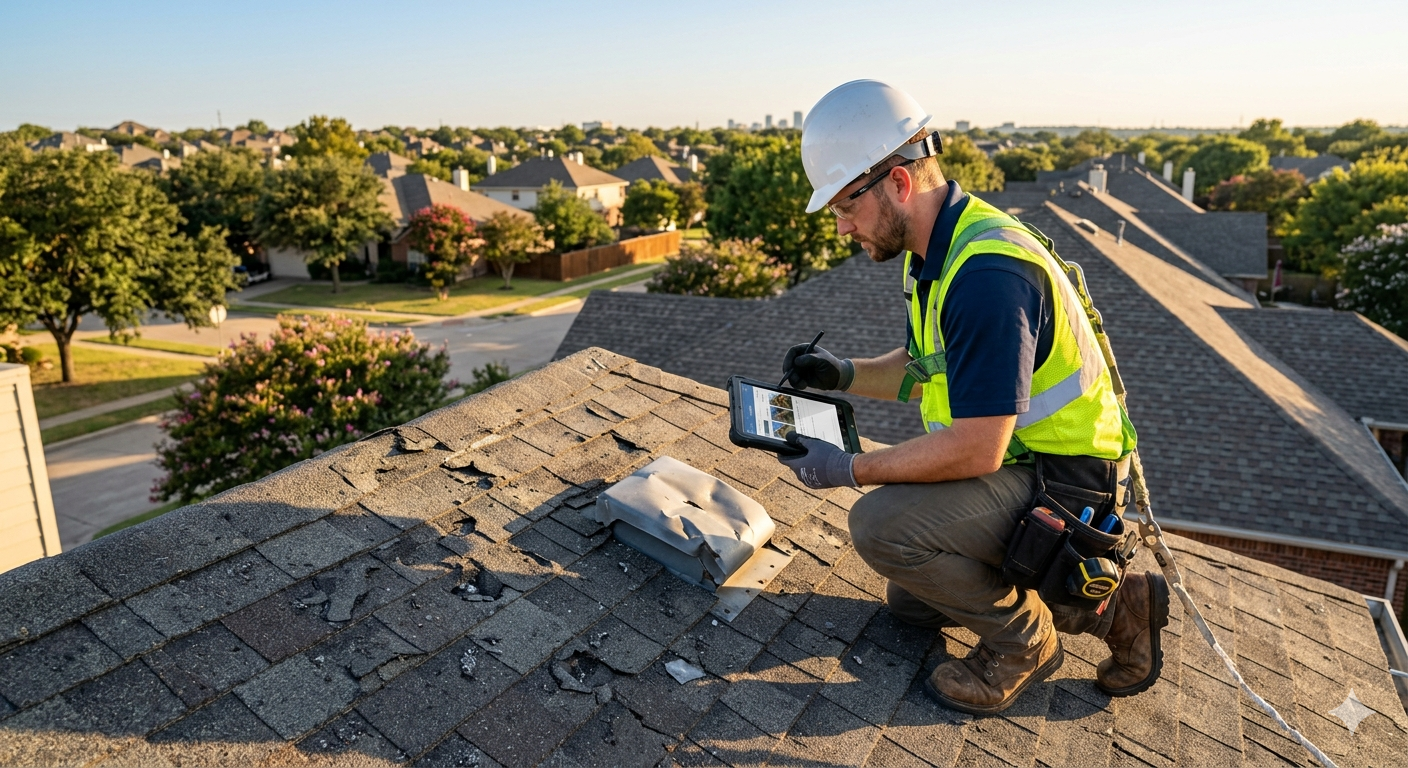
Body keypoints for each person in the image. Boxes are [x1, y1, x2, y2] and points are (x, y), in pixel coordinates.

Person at [774, 80, 1169, 715]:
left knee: (879, 529)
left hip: (1063, 480)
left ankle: (1026, 643)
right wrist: (841, 374)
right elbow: (923, 370)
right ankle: (1124, 607)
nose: (841, 225)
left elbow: (979, 447)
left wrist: (847, 469)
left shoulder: (987, 275)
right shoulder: (938, 248)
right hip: (1019, 463)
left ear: (898, 184)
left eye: (845, 205)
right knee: (911, 601)